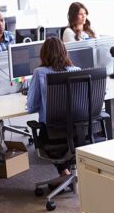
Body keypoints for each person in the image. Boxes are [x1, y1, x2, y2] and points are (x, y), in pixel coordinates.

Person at [26, 36, 80, 176]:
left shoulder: (40, 73)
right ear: (65, 52)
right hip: (79, 132)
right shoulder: (77, 70)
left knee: (51, 129)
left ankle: (65, 173)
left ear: (43, 54)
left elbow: (31, 107)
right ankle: (67, 173)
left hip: (52, 134)